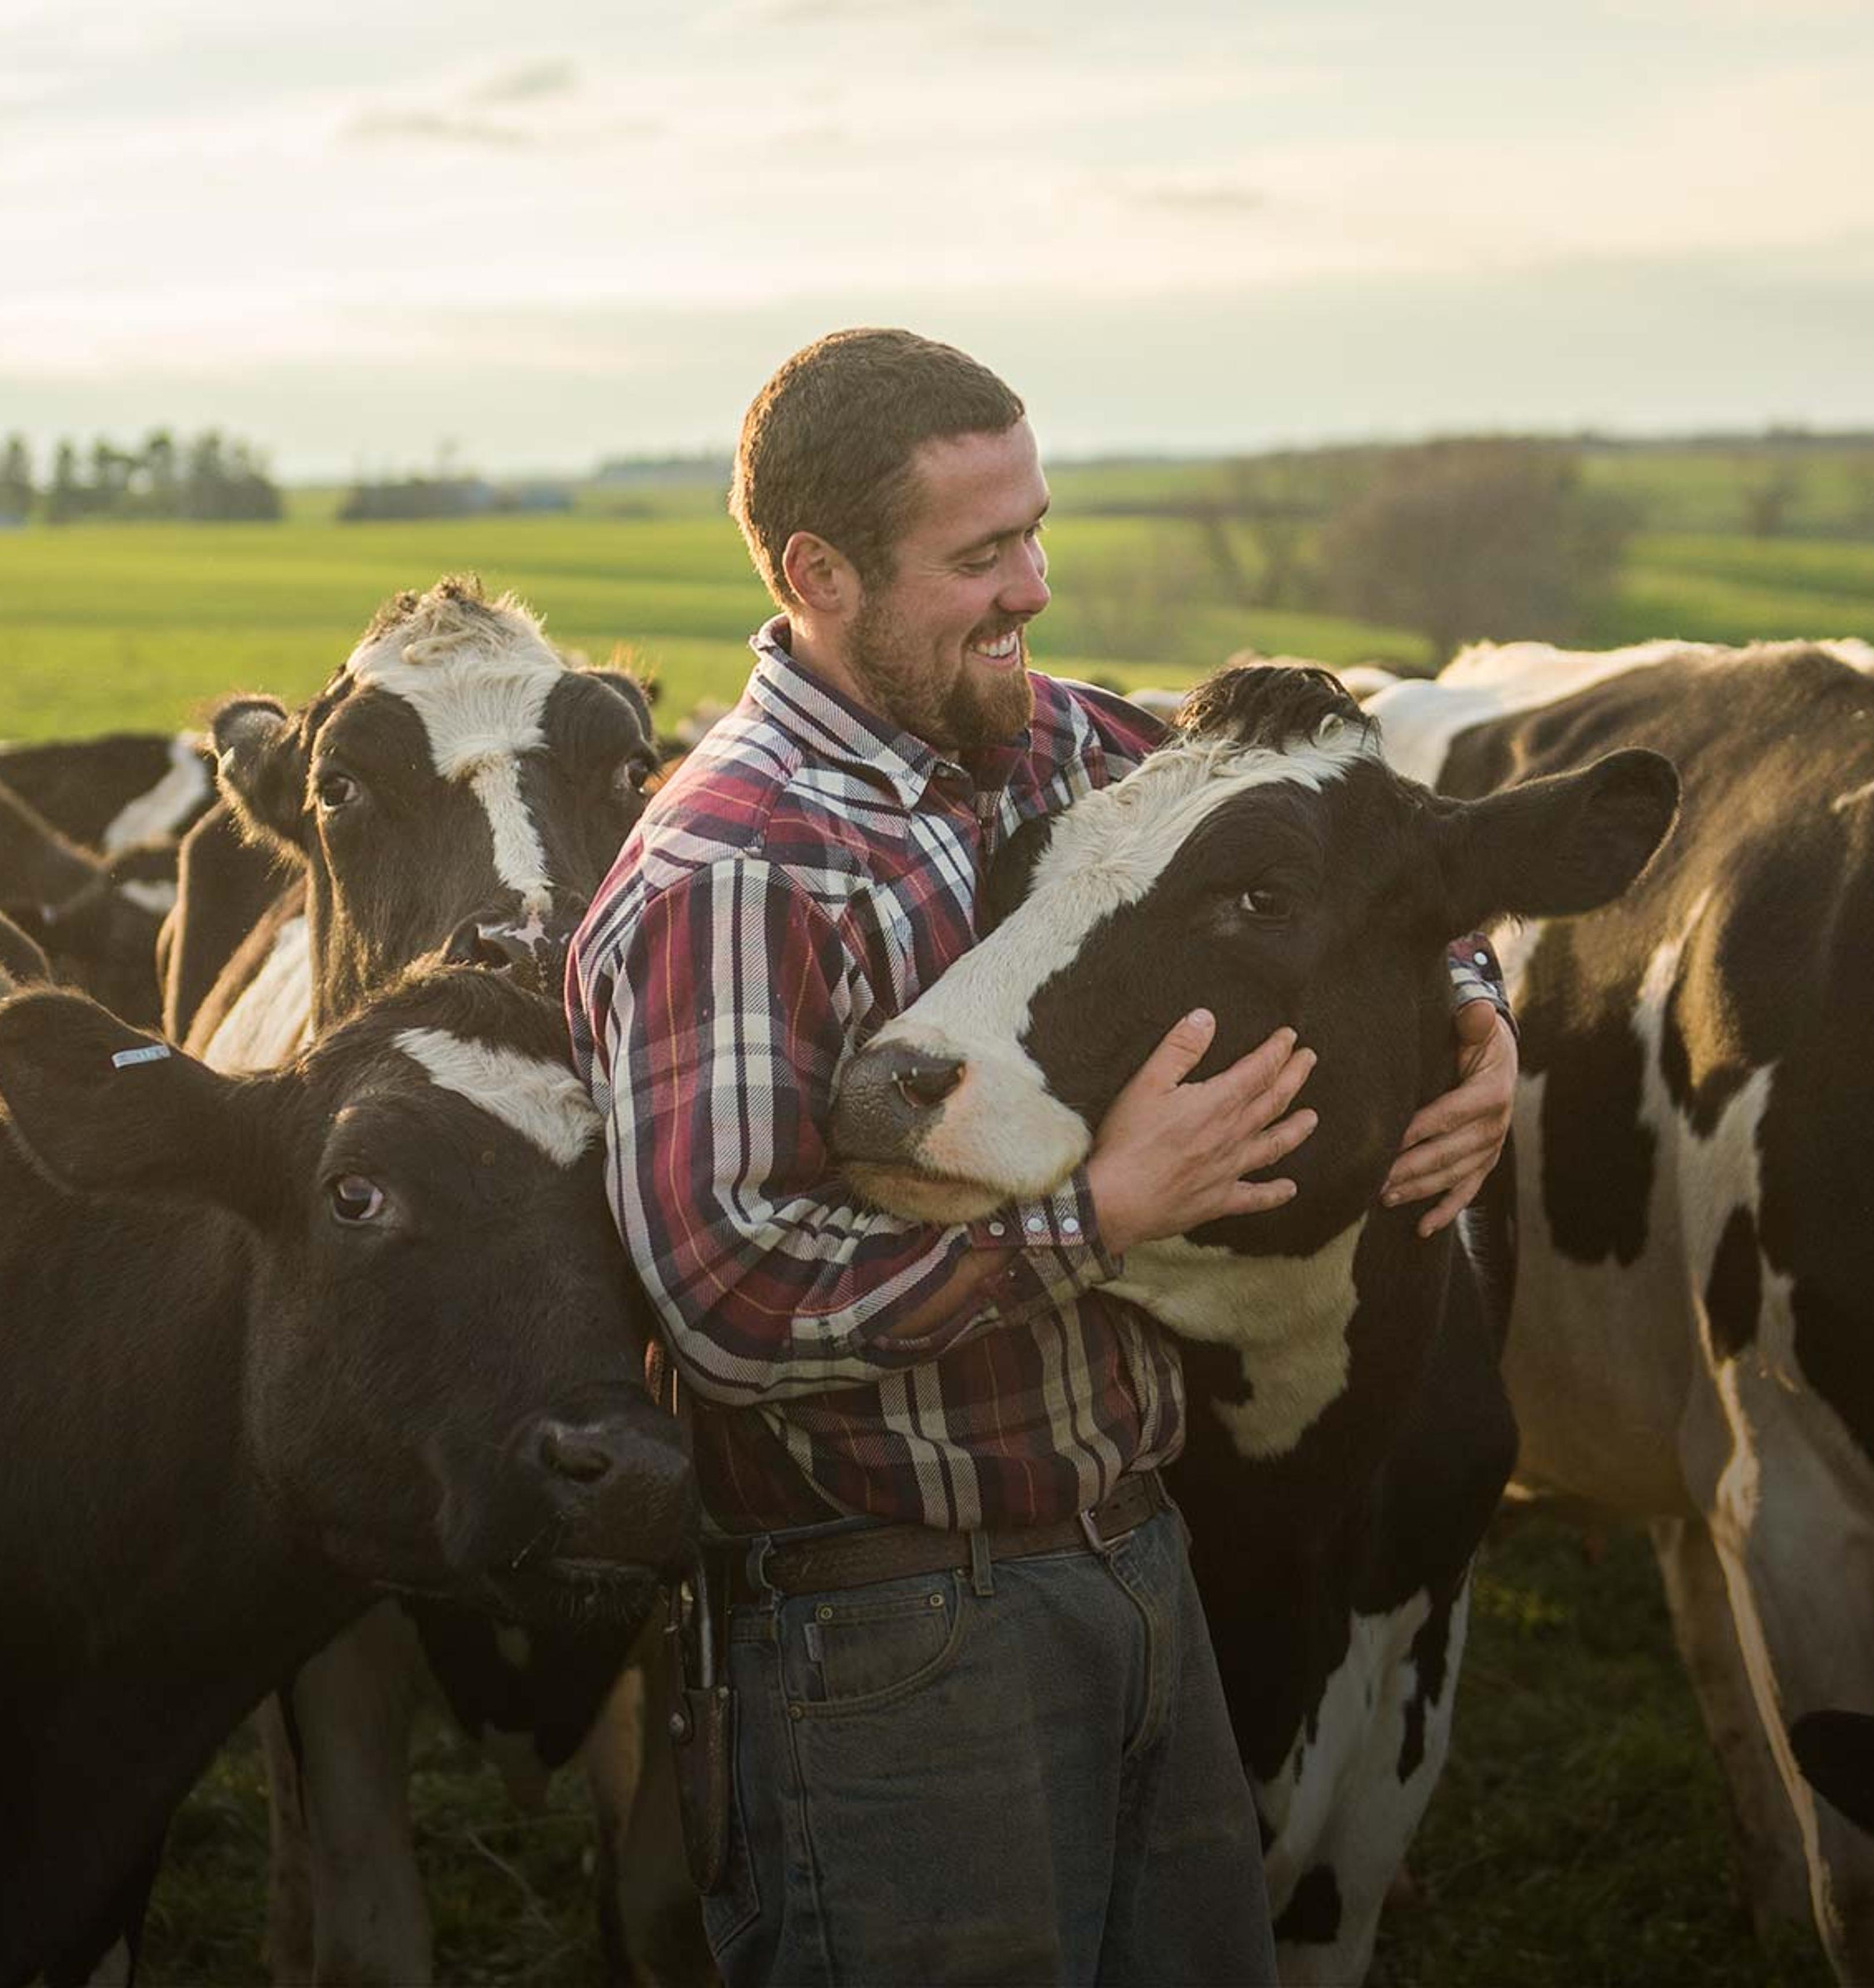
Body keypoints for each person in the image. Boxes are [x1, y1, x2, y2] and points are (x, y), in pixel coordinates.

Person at [566, 327, 1516, 1986]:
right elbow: (725, 1293)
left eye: (1037, 532)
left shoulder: (1069, 745)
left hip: (1142, 1554)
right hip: (890, 1632)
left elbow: (1336, 863)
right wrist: (1097, 1219)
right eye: (982, 555)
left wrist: (1475, 1010)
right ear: (820, 574)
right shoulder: (731, 869)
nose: (1036, 590)